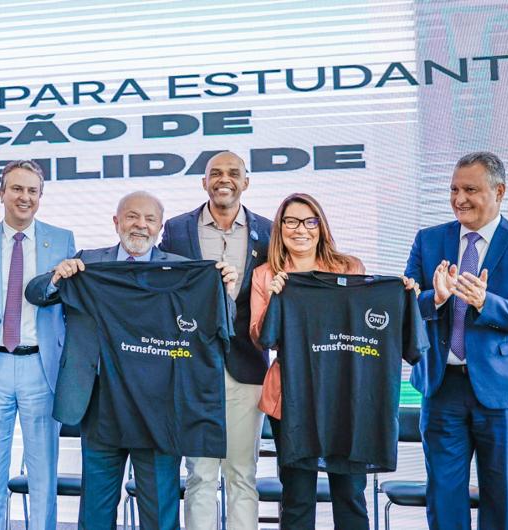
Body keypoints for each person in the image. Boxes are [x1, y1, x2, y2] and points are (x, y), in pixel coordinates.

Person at [27, 191, 235, 530]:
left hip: (160, 408)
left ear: (160, 227)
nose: (140, 225)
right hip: (99, 404)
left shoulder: (182, 269)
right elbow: (36, 294)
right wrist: (56, 276)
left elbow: (220, 324)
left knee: (159, 514)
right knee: (95, 513)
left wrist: (223, 290)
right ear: (116, 222)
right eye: (132, 216)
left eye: (150, 219)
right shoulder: (88, 263)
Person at [405, 152, 508, 530]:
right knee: (443, 497)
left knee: (500, 499)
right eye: (454, 190)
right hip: (442, 387)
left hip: (506, 393)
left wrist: (486, 302)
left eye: (470, 190)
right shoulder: (428, 240)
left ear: (499, 191)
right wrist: (435, 298)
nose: (459, 199)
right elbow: (406, 307)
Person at [0, 161, 74, 530]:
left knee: (43, 475)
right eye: (17, 189)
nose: (25, 197)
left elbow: (72, 312)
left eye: (32, 191)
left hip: (42, 370)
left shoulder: (63, 240)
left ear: (40, 196)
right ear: (2, 193)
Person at [159, 151, 271, 530]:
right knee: (200, 474)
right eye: (216, 173)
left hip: (247, 366)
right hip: (192, 368)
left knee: (242, 473)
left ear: (246, 182)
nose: (225, 179)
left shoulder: (268, 232)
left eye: (233, 173)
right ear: (203, 182)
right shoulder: (177, 229)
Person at [249, 193, 369, 530]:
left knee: (350, 493)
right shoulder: (266, 276)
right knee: (297, 497)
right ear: (280, 228)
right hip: (290, 399)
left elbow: (365, 323)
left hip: (344, 396)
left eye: (309, 221)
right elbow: (261, 338)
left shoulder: (349, 268)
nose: (300, 229)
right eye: (291, 221)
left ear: (321, 226)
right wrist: (276, 299)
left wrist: (400, 293)